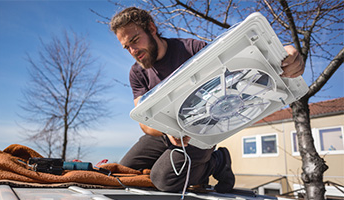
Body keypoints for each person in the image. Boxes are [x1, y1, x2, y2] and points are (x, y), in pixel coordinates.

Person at [110, 7, 305, 193]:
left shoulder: (192, 50)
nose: (133, 51)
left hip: (200, 130)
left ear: (151, 28)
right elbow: (144, 123)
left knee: (163, 179)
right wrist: (170, 130)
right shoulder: (137, 73)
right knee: (122, 170)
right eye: (127, 47)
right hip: (164, 132)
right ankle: (194, 165)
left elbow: (241, 62)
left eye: (135, 40)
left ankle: (217, 161)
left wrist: (286, 53)